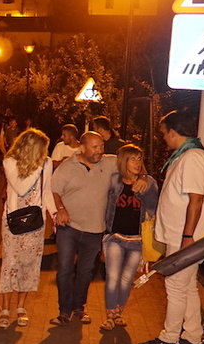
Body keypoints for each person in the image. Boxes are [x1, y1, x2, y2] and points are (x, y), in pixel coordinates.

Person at [138, 110, 204, 344]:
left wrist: (187, 237)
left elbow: (196, 200)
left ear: (173, 131)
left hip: (186, 238)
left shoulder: (193, 158)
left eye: (164, 132)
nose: (163, 137)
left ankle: (169, 338)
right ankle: (193, 338)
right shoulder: (187, 156)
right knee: (187, 287)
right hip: (182, 237)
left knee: (174, 287)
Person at [50, 132, 148, 325]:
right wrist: (60, 209)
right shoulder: (67, 167)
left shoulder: (109, 162)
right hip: (69, 227)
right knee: (65, 269)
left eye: (102, 146)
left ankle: (79, 308)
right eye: (94, 147)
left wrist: (143, 176)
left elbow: (133, 162)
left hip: (94, 230)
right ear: (82, 147)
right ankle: (64, 311)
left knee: (85, 272)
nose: (99, 151)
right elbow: (54, 191)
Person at [0, 129, 56, 328]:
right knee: (10, 263)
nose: (45, 153)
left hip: (36, 222)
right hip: (13, 221)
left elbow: (46, 191)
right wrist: (38, 167)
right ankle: (5, 308)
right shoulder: (10, 162)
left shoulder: (46, 163)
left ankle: (21, 306)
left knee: (29, 264)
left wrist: (54, 214)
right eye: (42, 149)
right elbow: (21, 188)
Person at [101, 145, 158, 331]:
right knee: (113, 277)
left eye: (139, 158)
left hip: (137, 241)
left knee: (126, 279)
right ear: (123, 161)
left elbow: (152, 210)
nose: (137, 163)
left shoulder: (150, 183)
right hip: (114, 238)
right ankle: (110, 315)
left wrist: (143, 184)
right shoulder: (114, 180)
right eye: (132, 159)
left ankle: (119, 312)